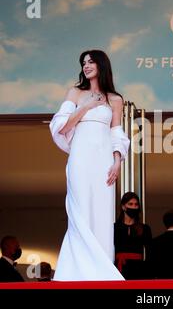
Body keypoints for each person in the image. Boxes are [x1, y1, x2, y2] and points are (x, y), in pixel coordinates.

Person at [49, 49, 130, 281]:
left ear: (101, 65)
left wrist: (117, 161)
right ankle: (74, 274)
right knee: (81, 211)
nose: (86, 65)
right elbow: (61, 127)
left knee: (103, 215)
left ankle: (101, 273)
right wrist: (86, 107)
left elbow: (116, 132)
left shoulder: (115, 99)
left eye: (91, 61)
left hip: (104, 162)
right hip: (80, 160)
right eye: (83, 62)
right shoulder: (75, 92)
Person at [114, 192, 152, 279]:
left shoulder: (144, 228)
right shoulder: (114, 228)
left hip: (138, 270)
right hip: (118, 268)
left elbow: (150, 252)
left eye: (136, 205)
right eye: (130, 204)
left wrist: (146, 270)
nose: (134, 207)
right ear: (123, 207)